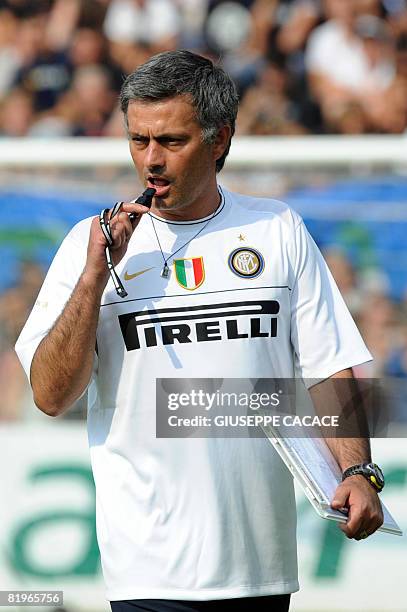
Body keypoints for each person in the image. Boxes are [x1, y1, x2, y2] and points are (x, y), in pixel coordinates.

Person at [15, 50, 384, 612]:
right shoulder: (87, 247)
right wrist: (94, 276)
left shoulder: (277, 228)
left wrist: (358, 470)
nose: (151, 161)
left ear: (219, 140)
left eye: (171, 141)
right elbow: (49, 395)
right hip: (148, 569)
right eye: (139, 141)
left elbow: (330, 365)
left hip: (260, 568)